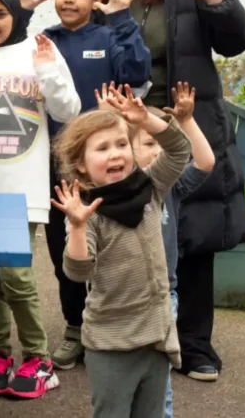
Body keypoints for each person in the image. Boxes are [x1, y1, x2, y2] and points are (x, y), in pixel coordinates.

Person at [92, 0, 245, 381]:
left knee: (192, 232)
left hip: (185, 121)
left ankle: (195, 344)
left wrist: (219, 0)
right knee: (126, 231)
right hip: (126, 128)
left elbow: (237, 41)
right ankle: (124, 336)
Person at [0, 0, 81, 399]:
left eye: (0, 13)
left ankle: (38, 359)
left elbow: (69, 110)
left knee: (16, 275)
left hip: (22, 187)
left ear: (15, 13)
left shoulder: (38, 49)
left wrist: (46, 71)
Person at [40, 0, 152, 369]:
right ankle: (74, 328)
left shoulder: (108, 37)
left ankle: (116, 329)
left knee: (114, 250)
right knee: (65, 251)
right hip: (59, 167)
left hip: (108, 167)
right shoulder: (44, 41)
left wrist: (122, 19)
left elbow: (137, 71)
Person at [55, 85, 191, 418]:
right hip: (111, 344)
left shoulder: (150, 186)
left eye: (121, 144)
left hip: (156, 337)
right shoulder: (87, 212)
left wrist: (145, 120)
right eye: (102, 148)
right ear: (81, 165)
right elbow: (78, 272)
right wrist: (77, 227)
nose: (115, 154)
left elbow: (179, 151)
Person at [120, 82, 214, 418]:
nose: (158, 151)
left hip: (162, 295)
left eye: (162, 144)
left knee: (159, 377)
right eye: (149, 144)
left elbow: (205, 163)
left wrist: (186, 122)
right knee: (123, 377)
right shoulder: (118, 190)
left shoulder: (169, 186)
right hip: (119, 299)